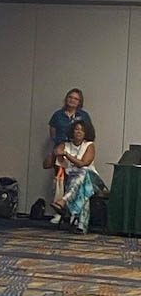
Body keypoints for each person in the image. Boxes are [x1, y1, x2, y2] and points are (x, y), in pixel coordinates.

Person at [49, 120, 107, 234]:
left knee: (83, 172)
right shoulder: (65, 145)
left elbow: (83, 163)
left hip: (93, 179)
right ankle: (81, 226)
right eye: (76, 129)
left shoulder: (89, 145)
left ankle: (64, 201)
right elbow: (48, 162)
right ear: (72, 131)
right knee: (84, 189)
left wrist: (66, 154)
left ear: (86, 133)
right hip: (76, 182)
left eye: (82, 130)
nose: (79, 132)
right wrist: (54, 153)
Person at [47, 88, 91, 224]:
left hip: (77, 150)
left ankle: (73, 213)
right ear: (66, 99)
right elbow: (53, 135)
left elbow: (88, 132)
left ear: (80, 102)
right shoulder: (57, 115)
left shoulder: (83, 115)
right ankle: (58, 212)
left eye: (76, 99)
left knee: (76, 179)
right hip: (61, 148)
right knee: (60, 181)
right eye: (70, 97)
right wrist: (58, 149)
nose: (72, 100)